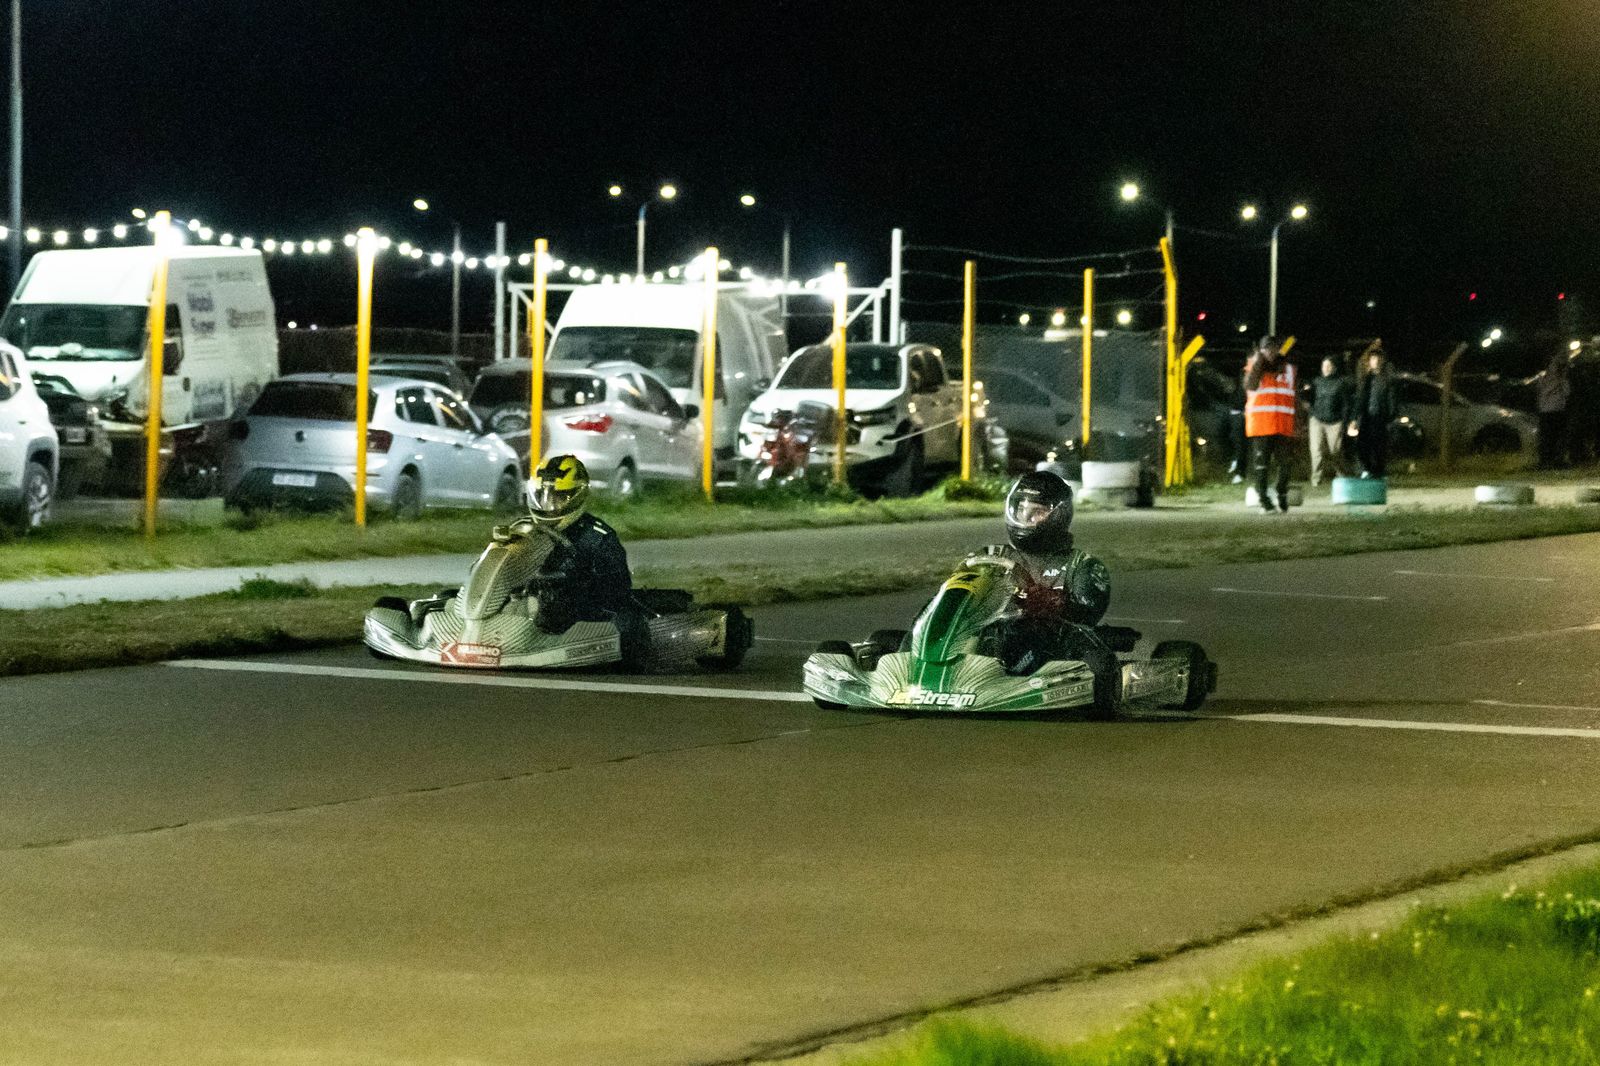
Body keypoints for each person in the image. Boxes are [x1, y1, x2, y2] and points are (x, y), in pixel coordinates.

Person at [520, 453, 649, 663]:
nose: (549, 505)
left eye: (558, 498)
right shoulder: (524, 530)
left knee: (626, 623)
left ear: (577, 495)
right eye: (544, 497)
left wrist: (573, 579)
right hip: (528, 606)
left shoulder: (598, 537)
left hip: (577, 614)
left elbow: (616, 593)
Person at [984, 470, 1113, 678]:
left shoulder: (1081, 565)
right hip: (987, 638)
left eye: (1037, 512)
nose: (1026, 518)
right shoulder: (990, 556)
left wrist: (1052, 603)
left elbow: (1086, 615)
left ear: (1059, 516)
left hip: (1049, 649)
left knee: (1088, 649)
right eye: (1021, 509)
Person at [1243, 335, 1297, 513]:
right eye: (1267, 348)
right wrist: (1258, 363)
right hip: (1262, 425)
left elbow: (1293, 394)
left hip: (1282, 425)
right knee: (1262, 465)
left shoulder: (1288, 369)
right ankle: (1264, 500)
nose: (1271, 352)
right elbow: (1249, 386)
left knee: (1285, 464)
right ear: (1261, 350)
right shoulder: (1254, 367)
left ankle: (1281, 492)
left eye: (1273, 348)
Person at [1308, 354, 1355, 487]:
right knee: (1316, 450)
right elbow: (1309, 397)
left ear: (1334, 368)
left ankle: (1342, 475)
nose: (1326, 368)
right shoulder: (1316, 382)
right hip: (1317, 420)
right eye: (1324, 366)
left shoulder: (1341, 383)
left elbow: (1346, 404)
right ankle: (1316, 480)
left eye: (1329, 366)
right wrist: (1310, 410)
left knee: (1335, 451)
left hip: (1335, 421)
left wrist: (1345, 422)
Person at [1351, 348, 1397, 478]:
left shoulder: (1386, 380)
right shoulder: (1365, 379)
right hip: (1366, 417)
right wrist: (1354, 418)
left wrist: (1390, 417)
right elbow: (1359, 399)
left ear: (1381, 361)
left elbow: (1391, 400)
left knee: (1379, 446)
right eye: (1372, 359)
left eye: (1377, 359)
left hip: (1380, 418)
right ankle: (1366, 469)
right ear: (1369, 362)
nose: (1375, 361)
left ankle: (1379, 471)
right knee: (1362, 444)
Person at [1535, 348, 1573, 470]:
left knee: (1546, 437)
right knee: (1558, 436)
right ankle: (1557, 460)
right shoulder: (1560, 377)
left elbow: (1539, 389)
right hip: (1557, 408)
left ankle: (1545, 461)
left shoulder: (1543, 376)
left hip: (1545, 409)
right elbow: (1567, 392)